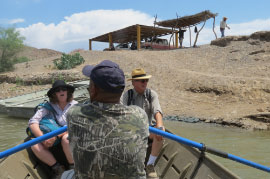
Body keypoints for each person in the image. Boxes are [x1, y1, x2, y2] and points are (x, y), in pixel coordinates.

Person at [66, 60, 149, 178]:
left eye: (90, 85)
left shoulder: (74, 113)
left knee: (66, 175)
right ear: (121, 90)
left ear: (93, 89)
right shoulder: (140, 115)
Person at [28, 80, 78, 179]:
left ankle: (73, 168)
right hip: (51, 139)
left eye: (63, 89)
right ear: (54, 94)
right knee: (33, 143)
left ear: (67, 91)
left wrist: (56, 136)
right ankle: (58, 169)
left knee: (66, 138)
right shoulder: (48, 106)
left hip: (68, 136)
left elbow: (75, 126)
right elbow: (33, 122)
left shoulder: (75, 105)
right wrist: (43, 139)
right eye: (58, 90)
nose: (61, 92)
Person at [120, 68, 164, 179]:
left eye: (146, 80)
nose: (145, 83)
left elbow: (157, 112)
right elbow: (121, 116)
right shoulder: (127, 96)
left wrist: (159, 126)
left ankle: (150, 165)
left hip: (148, 131)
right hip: (131, 132)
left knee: (161, 131)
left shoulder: (151, 94)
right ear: (133, 82)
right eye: (142, 81)